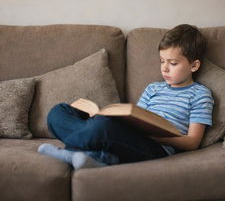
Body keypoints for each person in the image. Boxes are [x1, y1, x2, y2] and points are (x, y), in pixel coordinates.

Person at [38, 24, 214, 169]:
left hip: (157, 147)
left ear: (194, 65)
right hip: (130, 137)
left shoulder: (200, 94)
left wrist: (159, 137)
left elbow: (193, 142)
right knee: (59, 111)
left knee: (101, 127)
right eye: (162, 61)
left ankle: (73, 151)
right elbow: (138, 118)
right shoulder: (153, 88)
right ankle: (94, 156)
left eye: (173, 63)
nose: (165, 68)